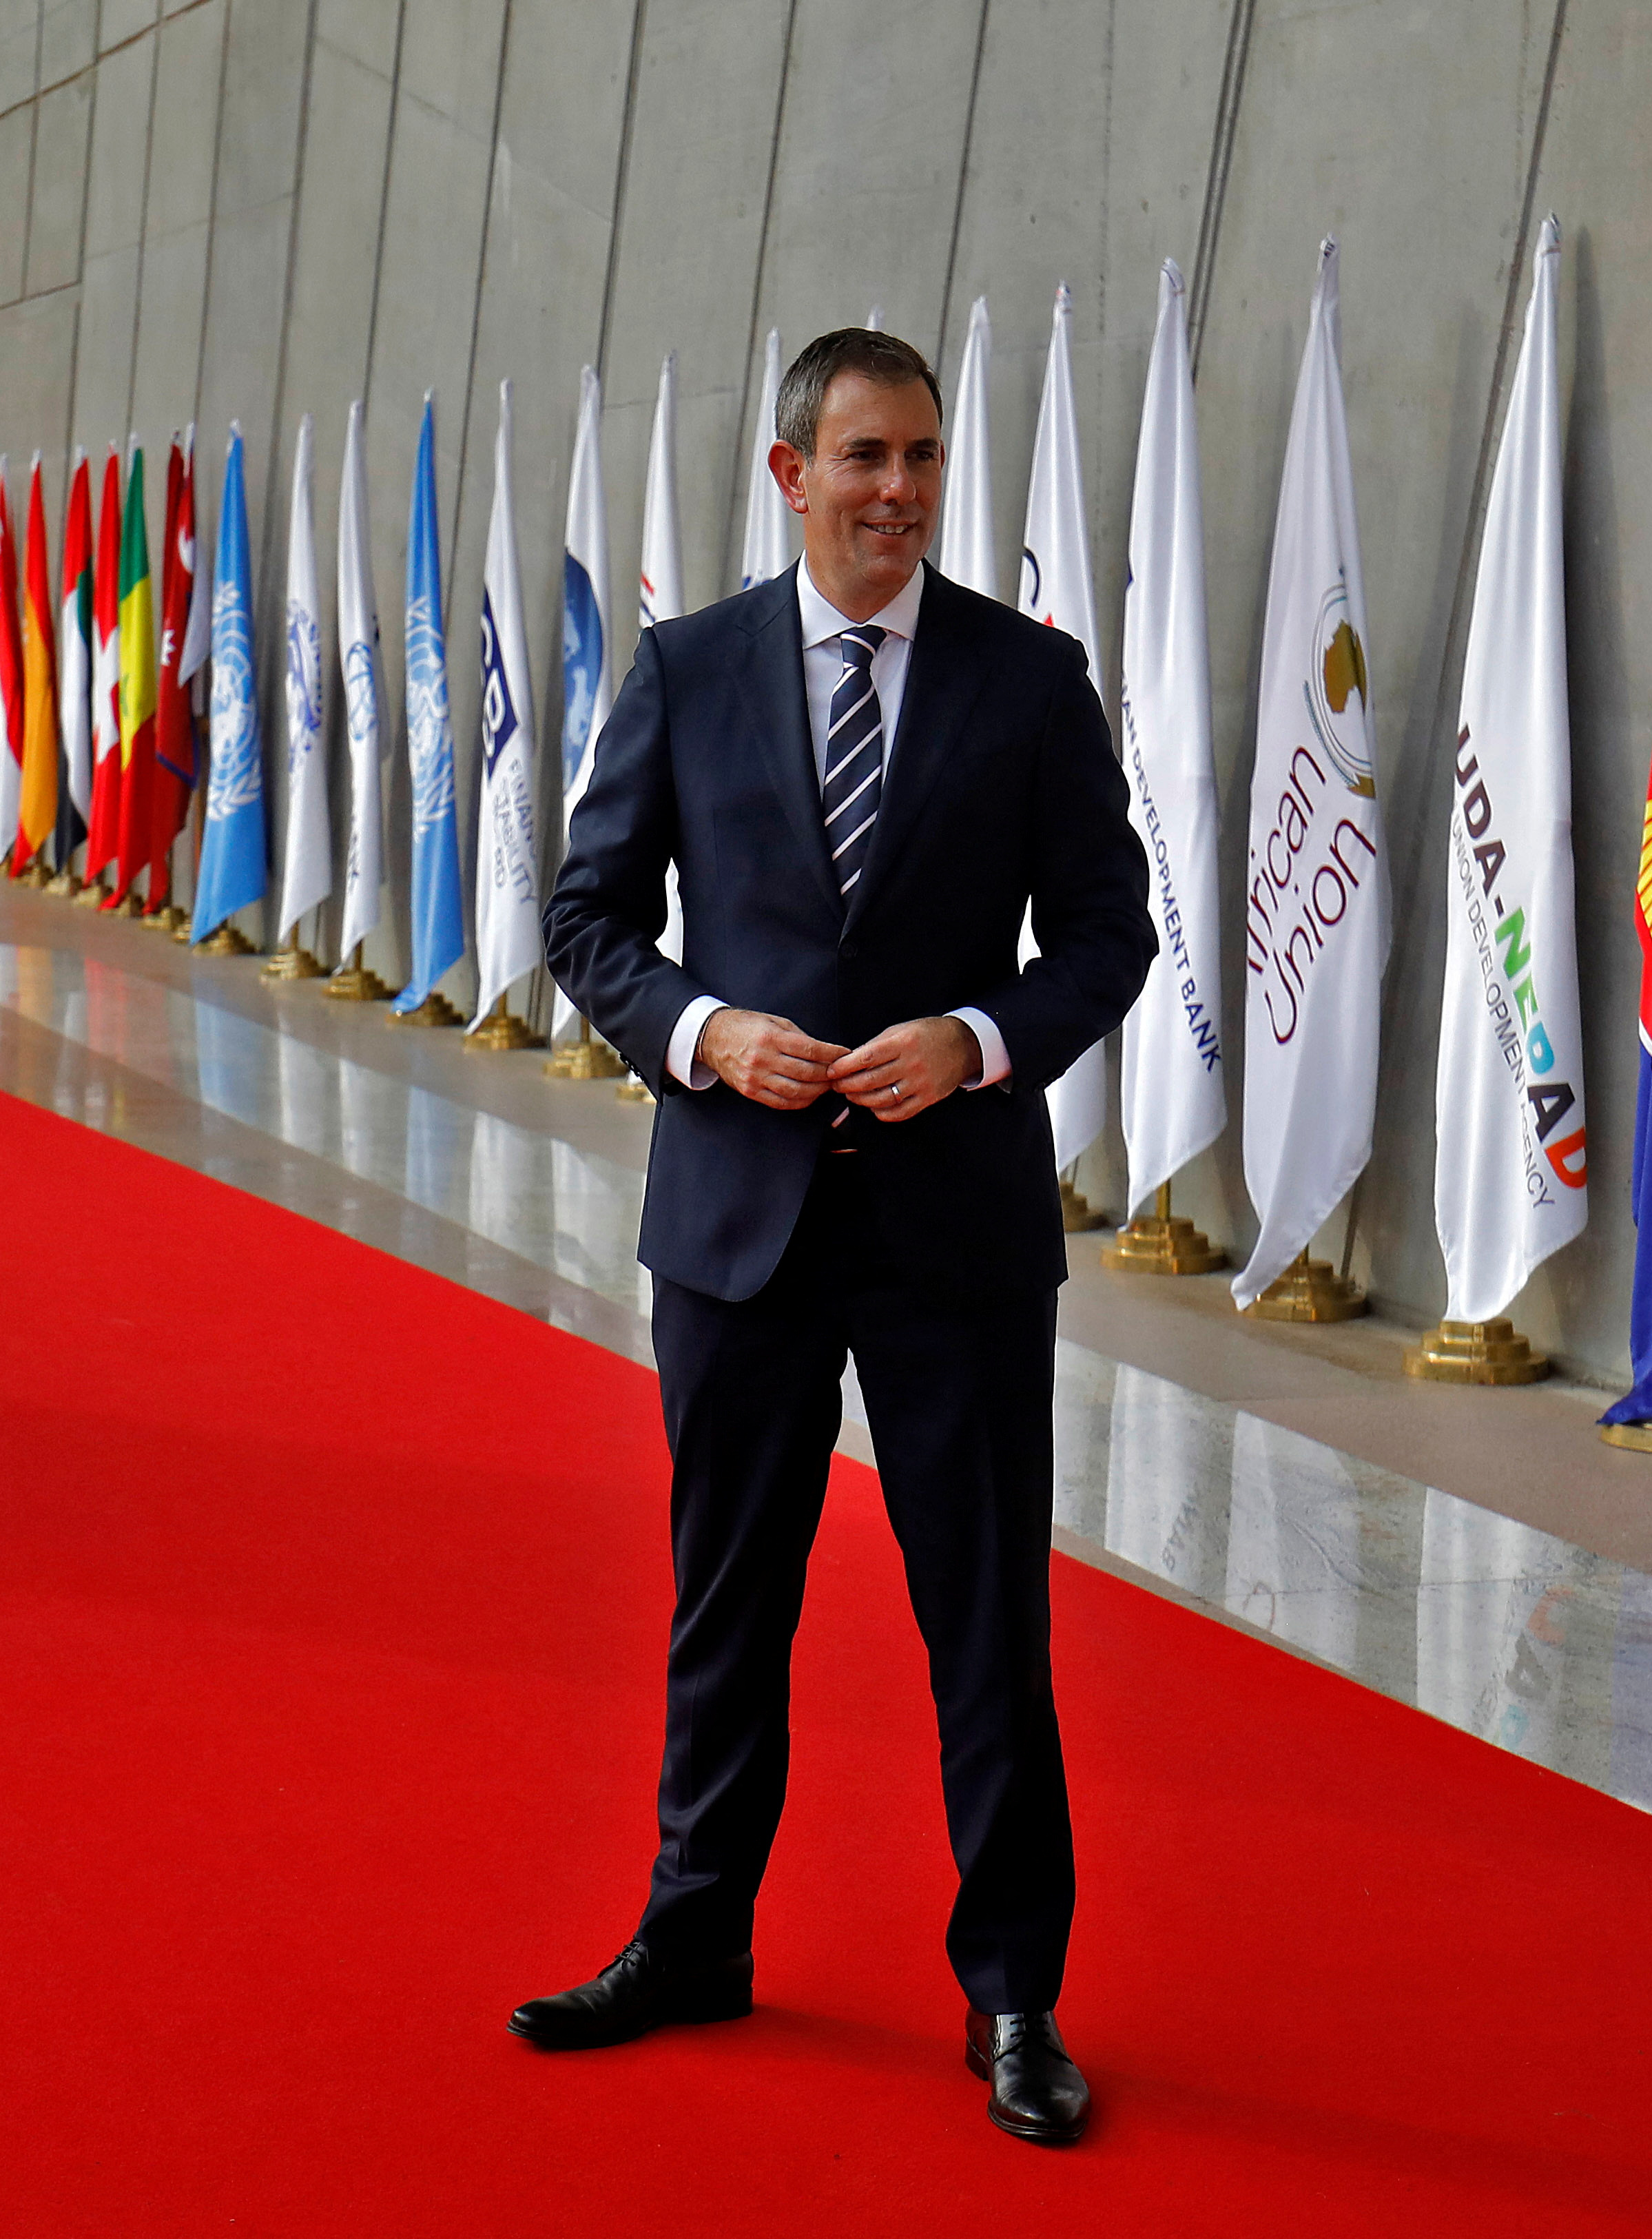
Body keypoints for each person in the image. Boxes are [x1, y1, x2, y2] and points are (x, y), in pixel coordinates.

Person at [529, 329, 1154, 2147]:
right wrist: (700, 1032)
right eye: (865, 457)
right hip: (734, 1218)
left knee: (983, 1621)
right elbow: (586, 916)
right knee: (726, 1600)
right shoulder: (688, 668)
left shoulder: (1027, 682)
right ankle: (692, 1932)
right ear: (790, 473)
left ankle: (1012, 1997)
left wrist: (974, 1042)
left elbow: (1105, 938)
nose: (897, 491)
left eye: (923, 460)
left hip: (952, 1224)